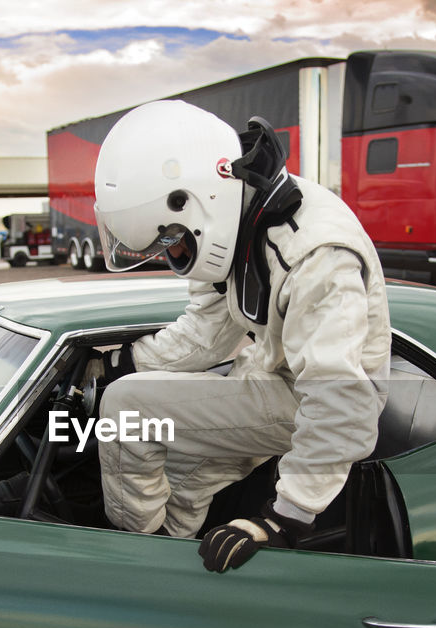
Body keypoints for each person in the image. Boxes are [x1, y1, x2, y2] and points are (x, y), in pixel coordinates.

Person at [92, 100, 391, 574]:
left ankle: (131, 561)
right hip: (274, 368)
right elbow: (207, 331)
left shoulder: (315, 257)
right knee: (185, 472)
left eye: (174, 240)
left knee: (127, 411)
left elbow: (342, 405)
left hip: (322, 398)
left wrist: (281, 520)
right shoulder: (238, 211)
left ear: (195, 203)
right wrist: (120, 364)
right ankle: (170, 565)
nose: (175, 251)